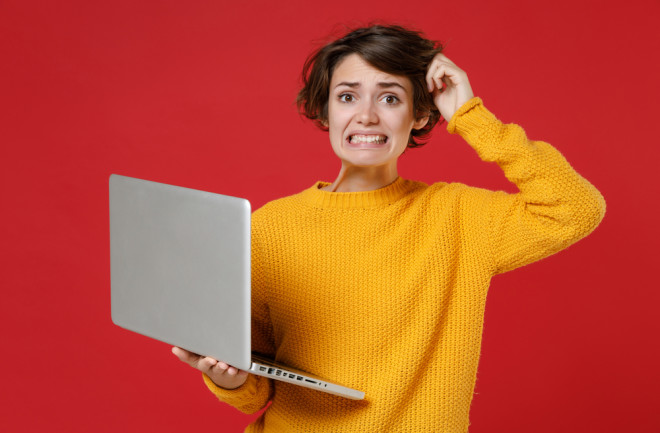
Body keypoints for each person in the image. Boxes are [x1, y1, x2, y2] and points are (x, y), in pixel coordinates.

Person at [172, 24, 606, 432]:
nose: (365, 116)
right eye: (346, 97)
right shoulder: (269, 227)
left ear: (420, 115)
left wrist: (472, 118)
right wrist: (227, 377)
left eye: (390, 98)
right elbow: (256, 389)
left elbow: (575, 208)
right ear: (325, 111)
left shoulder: (458, 216)